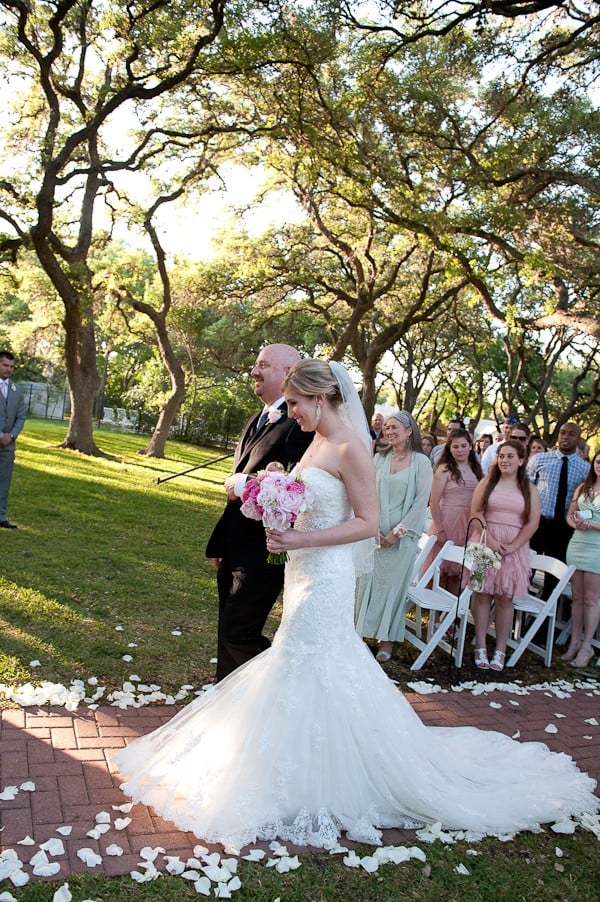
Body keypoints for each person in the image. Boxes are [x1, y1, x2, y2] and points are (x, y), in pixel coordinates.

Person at [114, 359, 598, 850]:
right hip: (305, 568)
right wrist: (280, 485)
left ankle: (309, 775)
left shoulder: (351, 446)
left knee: (307, 659)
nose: (293, 412)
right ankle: (292, 764)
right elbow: (316, 496)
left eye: (297, 404)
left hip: (325, 573)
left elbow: (367, 522)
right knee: (301, 659)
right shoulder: (318, 442)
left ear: (320, 399)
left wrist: (302, 540)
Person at [205, 344, 313, 681]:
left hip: (263, 551)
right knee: (225, 635)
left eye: (262, 365)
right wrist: (222, 544)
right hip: (234, 547)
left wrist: (246, 484)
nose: (254, 372)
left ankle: (285, 685)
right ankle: (224, 705)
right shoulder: (257, 418)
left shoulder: (300, 423)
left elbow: (297, 483)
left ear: (287, 374)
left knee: (237, 634)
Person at [355, 411, 433, 663]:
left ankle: (385, 640)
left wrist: (397, 533)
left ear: (410, 431)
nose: (388, 431)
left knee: (391, 588)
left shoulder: (422, 462)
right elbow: (367, 493)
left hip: (402, 537)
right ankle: (359, 634)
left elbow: (421, 502)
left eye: (394, 427)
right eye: (386, 427)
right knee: (367, 583)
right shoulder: (378, 458)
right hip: (374, 534)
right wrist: (373, 527)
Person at [470, 440, 541, 672]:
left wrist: (513, 546)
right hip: (486, 541)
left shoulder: (528, 489)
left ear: (521, 460)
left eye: (511, 456)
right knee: (482, 593)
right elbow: (476, 512)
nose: (505, 460)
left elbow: (532, 523)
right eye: (501, 456)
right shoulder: (487, 482)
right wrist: (488, 539)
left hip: (514, 547)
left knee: (505, 597)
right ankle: (480, 644)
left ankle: (500, 649)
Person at [527, 422, 590, 598]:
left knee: (553, 579)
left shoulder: (585, 469)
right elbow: (525, 489)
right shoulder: (540, 459)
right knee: (526, 572)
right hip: (537, 523)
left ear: (578, 439)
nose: (565, 437)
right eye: (562, 433)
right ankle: (517, 619)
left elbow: (587, 502)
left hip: (562, 528)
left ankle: (543, 620)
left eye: (571, 434)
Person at [426, 428, 483, 594]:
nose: (460, 450)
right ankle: (434, 616)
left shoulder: (477, 469)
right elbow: (433, 501)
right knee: (440, 569)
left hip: (469, 524)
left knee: (458, 572)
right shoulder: (444, 469)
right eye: (455, 446)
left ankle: (450, 615)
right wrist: (440, 528)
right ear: (449, 448)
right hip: (447, 520)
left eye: (463, 446)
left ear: (470, 447)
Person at [562, 449, 600, 668]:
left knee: (590, 598)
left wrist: (592, 525)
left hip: (596, 546)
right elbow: (570, 514)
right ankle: (574, 641)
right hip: (577, 543)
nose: (599, 466)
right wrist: (575, 523)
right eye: (597, 462)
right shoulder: (582, 488)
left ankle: (587, 645)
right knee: (576, 596)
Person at [0, 350, 27, 529]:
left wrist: (12, 435)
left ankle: (1, 516)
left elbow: (21, 416)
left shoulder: (17, 391)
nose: (9, 369)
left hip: (8, 445)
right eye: (5, 365)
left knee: (4, 480)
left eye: (11, 366)